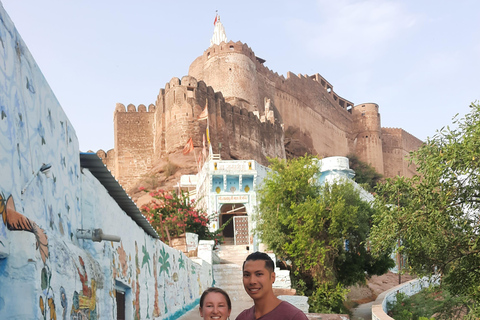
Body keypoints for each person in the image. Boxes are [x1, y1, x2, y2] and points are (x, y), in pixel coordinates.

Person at [236, 252, 308, 320]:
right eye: (247, 275)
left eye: (259, 274)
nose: (252, 281)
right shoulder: (243, 317)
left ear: (272, 277)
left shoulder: (293, 317)